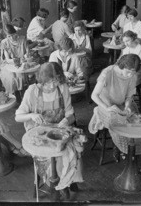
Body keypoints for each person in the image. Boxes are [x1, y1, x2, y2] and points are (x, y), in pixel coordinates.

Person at [15, 62, 84, 198]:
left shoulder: (63, 88)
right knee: (51, 156)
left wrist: (67, 120)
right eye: (48, 82)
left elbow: (70, 114)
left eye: (55, 81)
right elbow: (18, 116)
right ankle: (58, 184)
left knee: (71, 151)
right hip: (40, 135)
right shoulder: (32, 91)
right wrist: (31, 115)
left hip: (60, 131)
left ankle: (64, 182)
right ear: (41, 80)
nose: (52, 86)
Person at [88, 55, 141, 181]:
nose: (130, 75)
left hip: (122, 104)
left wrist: (128, 107)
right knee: (119, 124)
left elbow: (129, 97)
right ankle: (126, 156)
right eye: (128, 72)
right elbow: (94, 95)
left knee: (136, 124)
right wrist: (107, 107)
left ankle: (140, 166)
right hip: (105, 105)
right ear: (121, 66)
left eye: (132, 73)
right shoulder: (107, 73)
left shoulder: (132, 75)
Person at [0, 24, 29, 98]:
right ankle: (16, 95)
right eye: (9, 36)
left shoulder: (23, 39)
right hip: (9, 64)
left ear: (15, 32)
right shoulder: (4, 42)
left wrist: (23, 58)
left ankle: (23, 94)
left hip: (22, 62)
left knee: (20, 74)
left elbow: (27, 53)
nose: (11, 38)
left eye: (13, 35)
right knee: (11, 77)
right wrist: (16, 60)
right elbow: (7, 59)